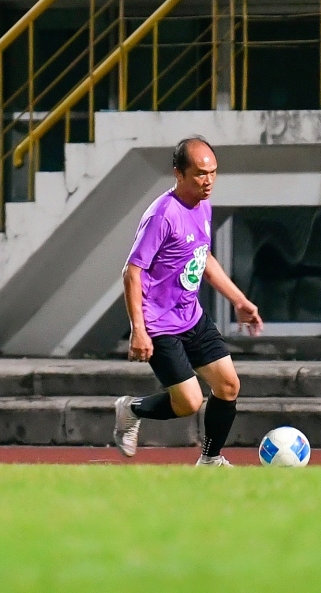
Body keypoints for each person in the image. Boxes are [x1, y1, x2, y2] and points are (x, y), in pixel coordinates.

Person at [113, 136, 263, 466]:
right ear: (178, 174)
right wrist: (139, 330)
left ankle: (210, 461)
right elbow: (132, 272)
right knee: (189, 403)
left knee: (228, 386)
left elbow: (202, 257)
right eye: (200, 173)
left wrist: (239, 300)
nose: (208, 180)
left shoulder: (203, 206)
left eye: (213, 172)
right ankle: (132, 409)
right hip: (160, 323)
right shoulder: (163, 215)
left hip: (191, 316)